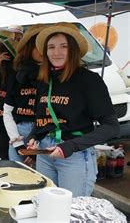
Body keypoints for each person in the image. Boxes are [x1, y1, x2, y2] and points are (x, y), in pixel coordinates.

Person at [27, 22, 119, 196]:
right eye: (51, 47)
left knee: (72, 212)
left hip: (75, 157)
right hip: (45, 154)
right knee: (46, 207)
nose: (56, 52)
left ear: (73, 50)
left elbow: (111, 127)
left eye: (64, 46)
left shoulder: (89, 80)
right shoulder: (45, 80)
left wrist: (70, 146)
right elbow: (42, 118)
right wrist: (34, 136)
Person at [3, 24, 47, 163]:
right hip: (18, 133)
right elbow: (7, 111)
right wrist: (18, 145)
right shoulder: (17, 73)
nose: (43, 50)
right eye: (38, 44)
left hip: (44, 136)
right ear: (29, 47)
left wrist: (35, 146)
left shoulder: (52, 75)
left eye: (46, 45)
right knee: (16, 177)